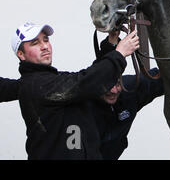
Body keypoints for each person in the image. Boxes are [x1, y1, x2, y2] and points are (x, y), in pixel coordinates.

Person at [12, 21, 139, 160]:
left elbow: (88, 80)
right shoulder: (38, 84)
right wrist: (119, 54)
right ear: (21, 54)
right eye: (35, 43)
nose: (44, 47)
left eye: (46, 40)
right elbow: (87, 82)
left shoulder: (53, 80)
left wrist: (112, 41)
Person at [92, 30, 164, 160]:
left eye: (118, 84)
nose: (113, 91)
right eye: (108, 86)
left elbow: (167, 78)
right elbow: (99, 70)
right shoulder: (82, 99)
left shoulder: (130, 89)